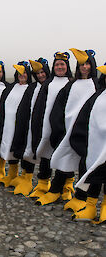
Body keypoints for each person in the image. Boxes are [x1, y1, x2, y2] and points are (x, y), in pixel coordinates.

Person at [36, 49, 99, 206]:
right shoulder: (71, 85)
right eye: (81, 64)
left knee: (88, 165)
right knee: (65, 159)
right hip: (69, 131)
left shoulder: (97, 86)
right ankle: (55, 190)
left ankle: (81, 197)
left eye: (87, 64)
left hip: (91, 132)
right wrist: (58, 128)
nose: (84, 67)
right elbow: (57, 109)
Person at [29, 52, 72, 202]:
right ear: (53, 67)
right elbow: (40, 107)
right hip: (47, 126)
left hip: (65, 127)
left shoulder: (71, 83)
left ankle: (66, 186)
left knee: (65, 156)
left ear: (67, 67)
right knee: (45, 154)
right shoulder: (48, 83)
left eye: (62, 64)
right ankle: (42, 184)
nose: (59, 67)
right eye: (57, 65)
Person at [69, 64, 106, 223]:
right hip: (96, 145)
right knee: (94, 172)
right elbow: (83, 118)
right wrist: (79, 140)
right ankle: (90, 205)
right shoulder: (98, 96)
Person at [10, 58, 51, 196]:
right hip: (30, 125)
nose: (40, 76)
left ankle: (44, 183)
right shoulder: (32, 88)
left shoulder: (52, 86)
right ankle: (26, 178)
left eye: (42, 72)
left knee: (45, 154)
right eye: (38, 73)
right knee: (28, 149)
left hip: (46, 126)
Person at [0, 61, 32, 189]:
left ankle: (26, 178)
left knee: (25, 150)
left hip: (25, 127)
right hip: (9, 125)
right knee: (10, 148)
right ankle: (12, 174)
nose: (22, 75)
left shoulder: (32, 88)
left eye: (24, 72)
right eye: (19, 73)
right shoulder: (10, 88)